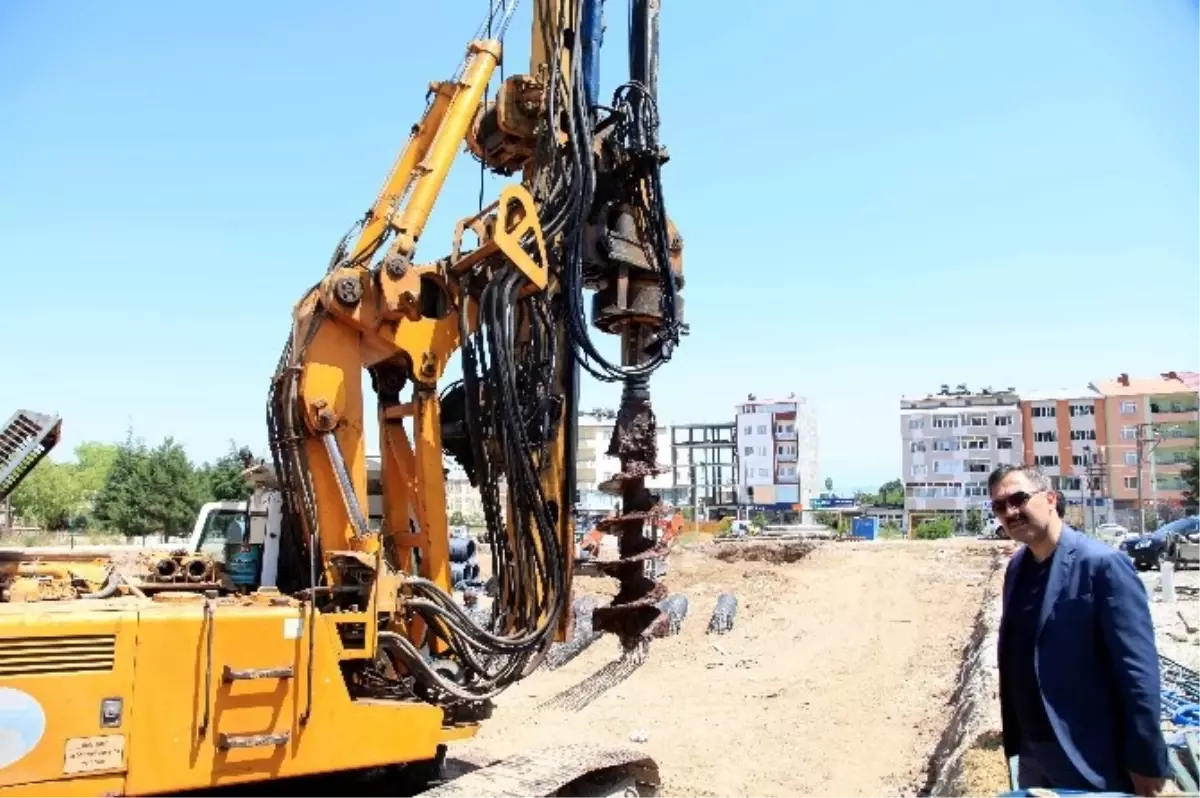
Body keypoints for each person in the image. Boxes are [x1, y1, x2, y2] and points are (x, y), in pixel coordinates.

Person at [990, 464, 1170, 795]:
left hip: (1091, 756)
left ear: (1049, 498)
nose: (1010, 512)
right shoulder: (1017, 568)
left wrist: (1146, 760)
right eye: (999, 506)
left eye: (1018, 499)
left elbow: (1137, 672)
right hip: (1034, 750)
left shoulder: (1101, 565)